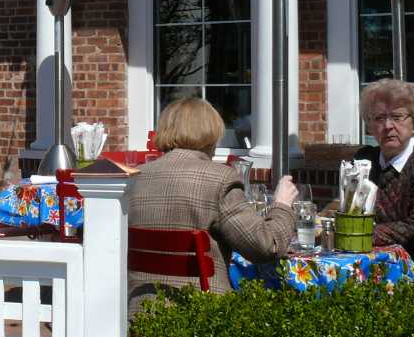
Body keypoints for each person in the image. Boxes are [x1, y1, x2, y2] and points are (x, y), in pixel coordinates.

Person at [127, 97, 297, 310]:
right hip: (202, 317)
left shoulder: (135, 178)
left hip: (139, 315)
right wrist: (282, 205)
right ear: (210, 133)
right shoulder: (219, 179)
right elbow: (265, 246)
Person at [353, 79, 414, 254]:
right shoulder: (365, 160)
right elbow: (352, 210)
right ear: (369, 127)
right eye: (379, 118)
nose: (388, 126)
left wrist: (360, 234)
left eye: (397, 117)